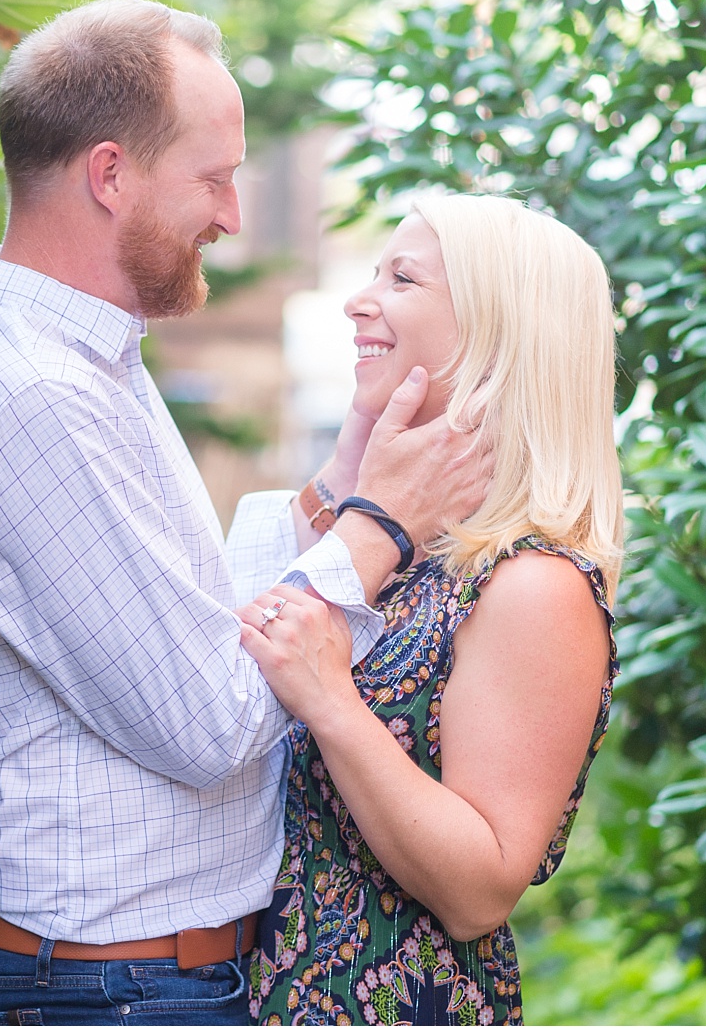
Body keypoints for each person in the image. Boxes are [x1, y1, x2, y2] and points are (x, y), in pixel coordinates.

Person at [0, 0, 492, 1025]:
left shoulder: (85, 356)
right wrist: (376, 527)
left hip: (128, 981)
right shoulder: (29, 395)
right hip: (104, 990)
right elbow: (213, 719)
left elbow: (190, 616)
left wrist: (341, 480)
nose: (234, 214)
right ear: (110, 174)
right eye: (215, 176)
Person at [230, 194, 624, 1025]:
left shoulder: (533, 582)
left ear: (496, 329)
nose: (359, 300)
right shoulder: (410, 553)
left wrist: (332, 703)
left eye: (401, 279)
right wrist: (355, 473)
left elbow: (483, 888)